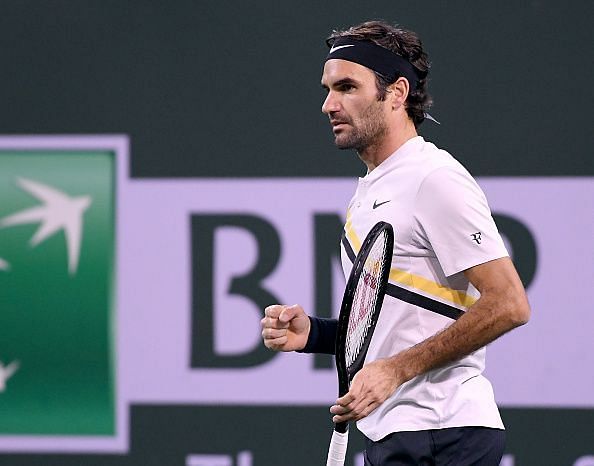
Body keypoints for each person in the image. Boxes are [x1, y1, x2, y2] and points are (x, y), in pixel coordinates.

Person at [261, 20, 530, 466]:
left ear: (397, 92)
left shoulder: (433, 179)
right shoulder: (369, 189)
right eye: (328, 89)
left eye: (348, 87)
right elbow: (395, 325)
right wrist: (315, 333)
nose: (329, 104)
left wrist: (396, 371)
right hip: (400, 434)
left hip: (443, 433)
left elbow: (509, 303)